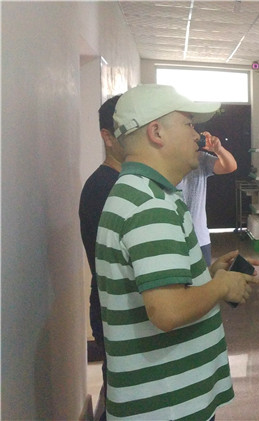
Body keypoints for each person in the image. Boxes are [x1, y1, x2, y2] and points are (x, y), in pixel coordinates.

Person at [96, 84, 259, 420]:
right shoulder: (150, 205)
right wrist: (220, 287)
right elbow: (168, 311)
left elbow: (155, 289)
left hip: (165, 398)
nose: (197, 135)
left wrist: (207, 275)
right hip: (166, 405)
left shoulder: (144, 192)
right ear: (156, 132)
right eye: (188, 124)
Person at [78, 94, 123, 421]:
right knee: (122, 396)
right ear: (107, 137)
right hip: (114, 309)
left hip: (118, 307)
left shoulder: (125, 182)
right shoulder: (103, 188)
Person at [177, 131, 238, 266]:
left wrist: (218, 150)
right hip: (170, 239)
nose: (193, 133)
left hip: (199, 238)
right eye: (187, 126)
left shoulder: (200, 158)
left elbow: (230, 166)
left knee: (204, 278)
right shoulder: (160, 161)